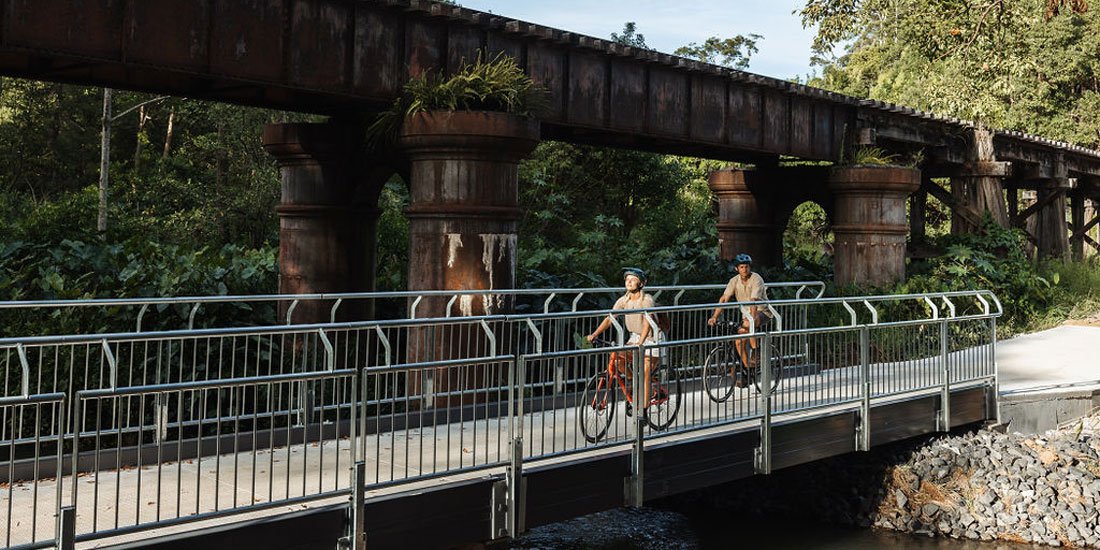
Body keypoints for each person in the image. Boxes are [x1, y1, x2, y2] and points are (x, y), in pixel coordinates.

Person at [587, 267, 664, 406]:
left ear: (641, 283)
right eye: (627, 279)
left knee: (646, 373)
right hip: (635, 337)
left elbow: (647, 324)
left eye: (633, 280)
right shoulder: (624, 300)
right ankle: (636, 383)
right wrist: (595, 334)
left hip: (652, 339)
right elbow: (610, 318)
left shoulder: (647, 300)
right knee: (618, 361)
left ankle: (643, 413)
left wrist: (641, 343)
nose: (629, 282)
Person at [707, 253, 772, 386]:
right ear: (737, 268)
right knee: (738, 342)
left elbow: (754, 301)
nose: (744, 269)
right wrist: (714, 316)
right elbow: (724, 298)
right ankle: (748, 373)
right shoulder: (734, 281)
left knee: (748, 323)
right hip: (746, 314)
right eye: (741, 267)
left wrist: (752, 318)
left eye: (747, 267)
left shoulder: (756, 279)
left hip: (761, 311)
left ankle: (756, 351)